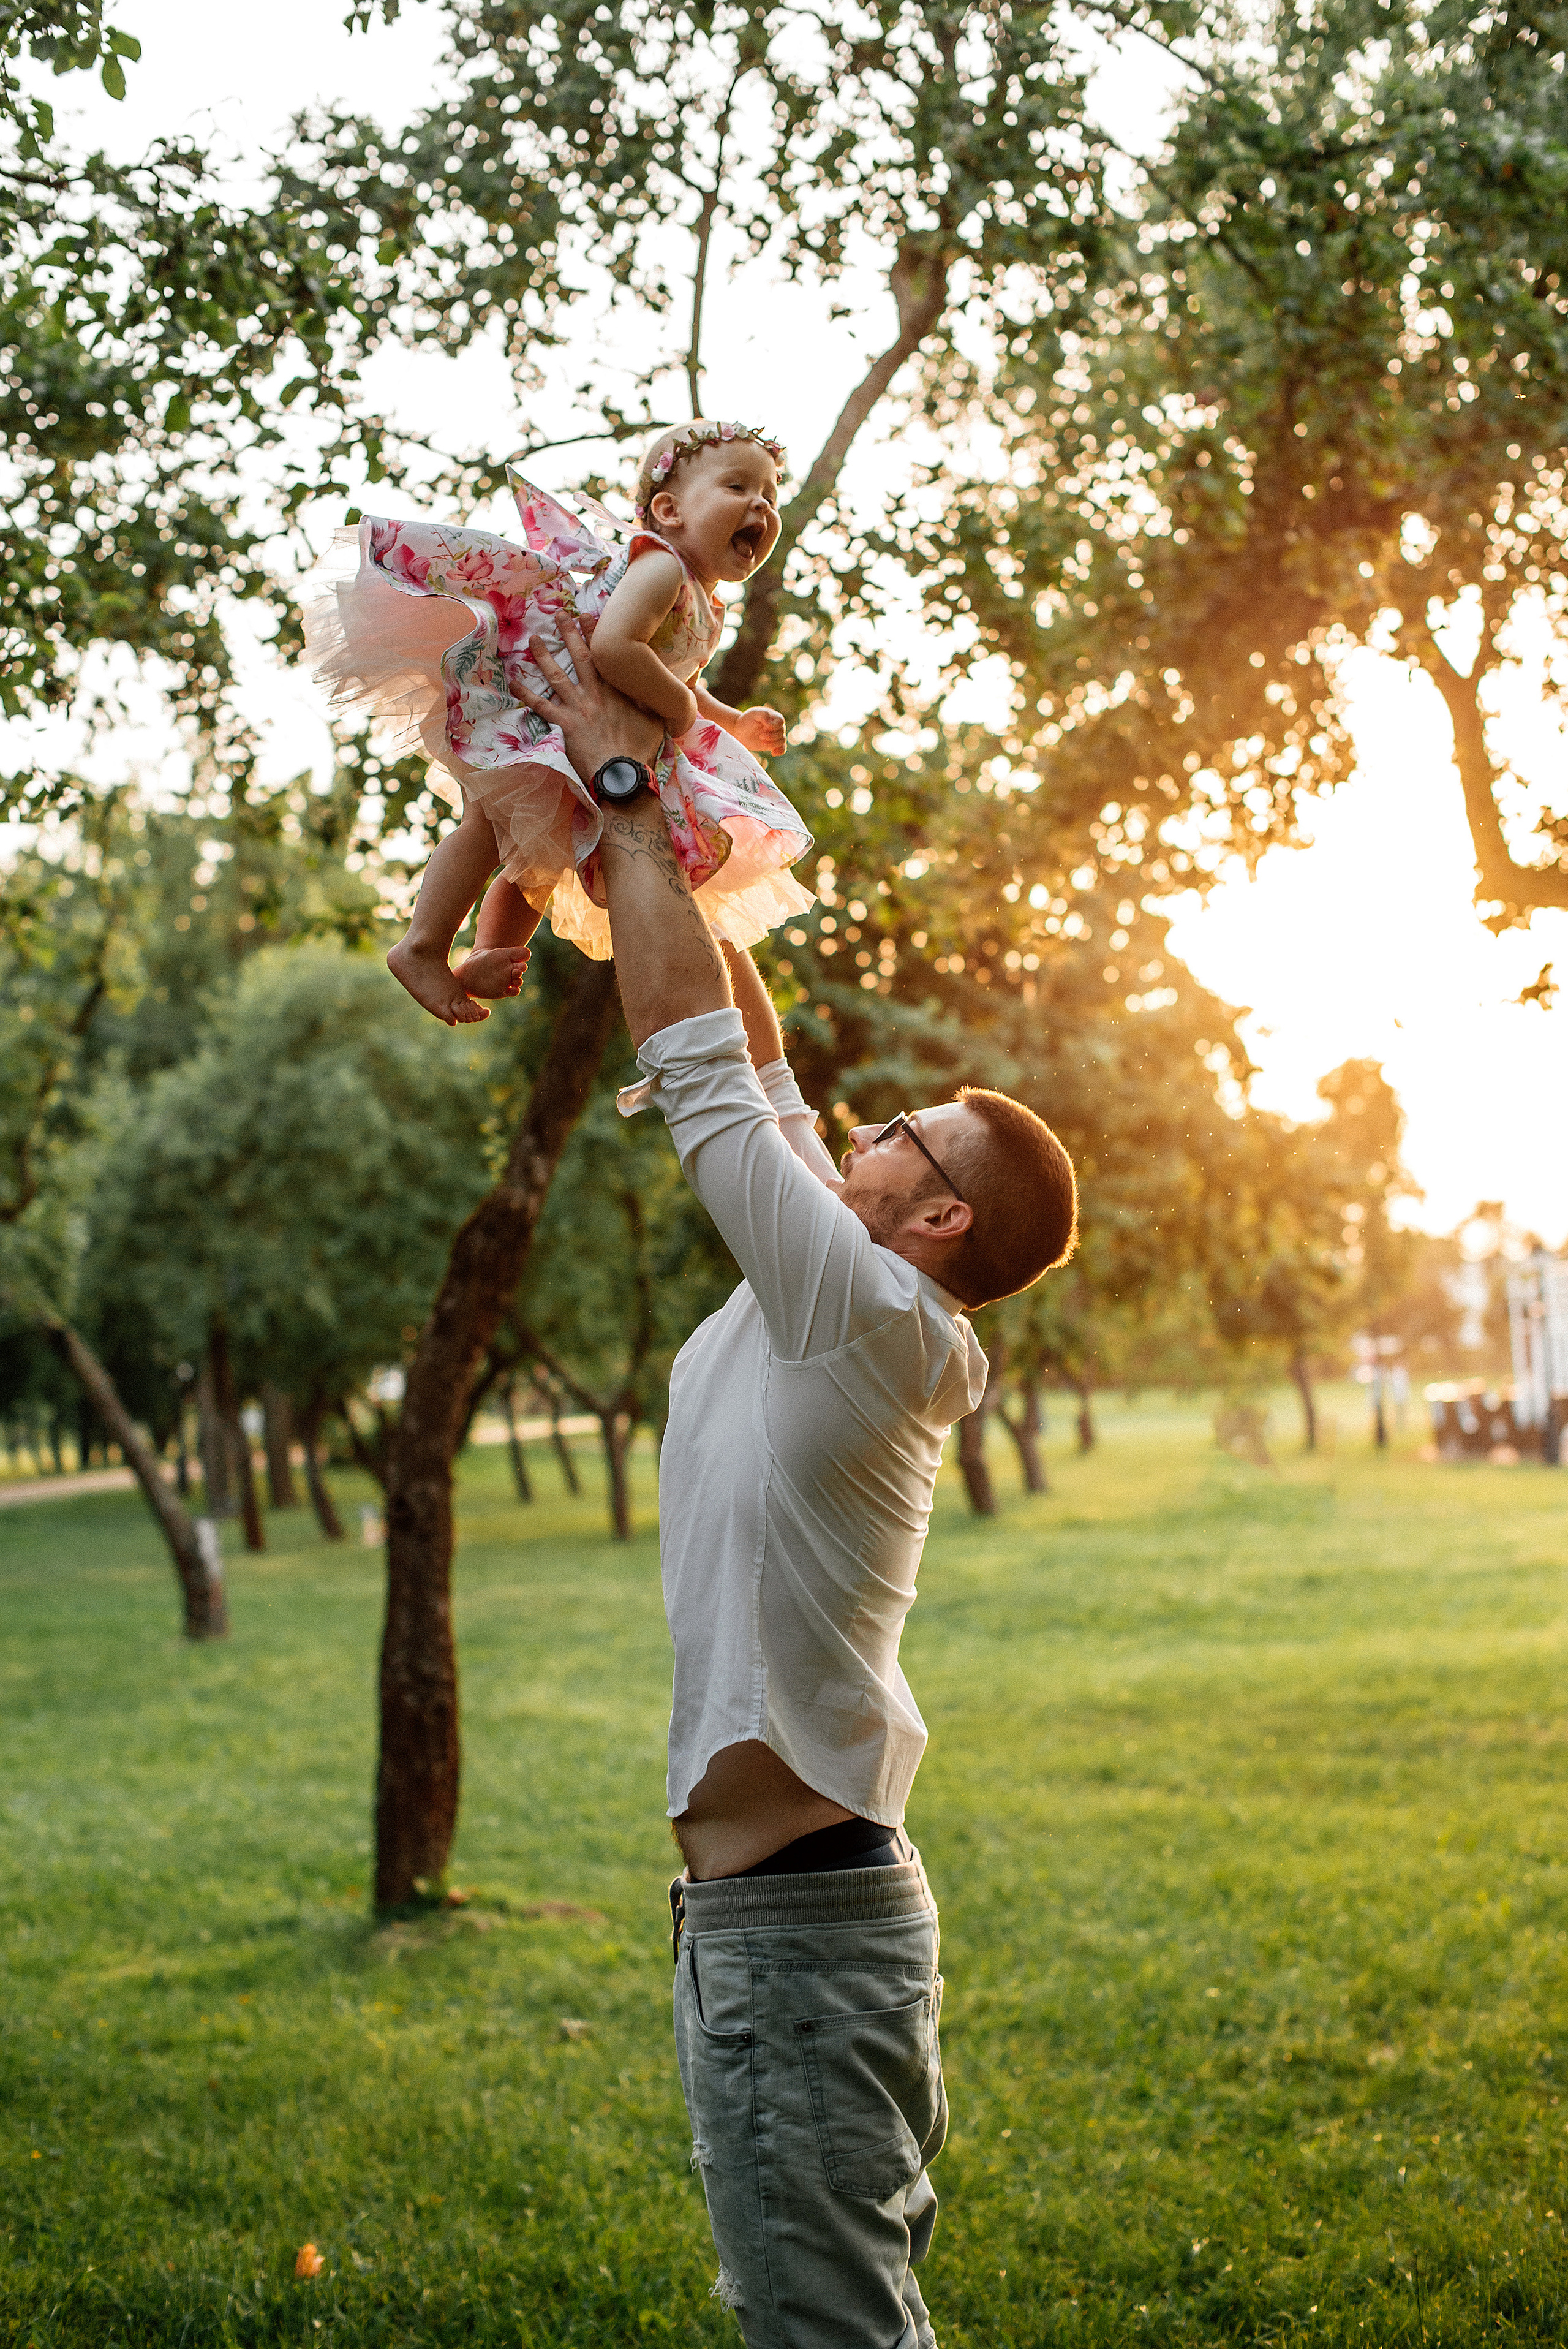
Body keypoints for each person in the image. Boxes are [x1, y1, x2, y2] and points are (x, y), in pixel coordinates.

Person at [511, 620, 1079, 2349]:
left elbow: (697, 1065)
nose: (859, 1129)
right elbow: (750, 1048)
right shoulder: (846, 1293)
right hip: (774, 1921)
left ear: (936, 1221)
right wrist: (683, 827)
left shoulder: (869, 1311)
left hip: (800, 1938)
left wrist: (615, 786)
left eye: (897, 1136)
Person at [304, 420, 813, 1025]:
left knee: (536, 859)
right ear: (669, 509)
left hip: (584, 735)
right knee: (489, 828)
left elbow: (682, 681)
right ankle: (420, 945)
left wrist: (731, 720)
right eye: (738, 486)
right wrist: (678, 709)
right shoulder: (662, 569)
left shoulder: (704, 598)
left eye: (771, 495)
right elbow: (616, 650)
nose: (760, 504)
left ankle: (489, 951)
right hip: (539, 710)